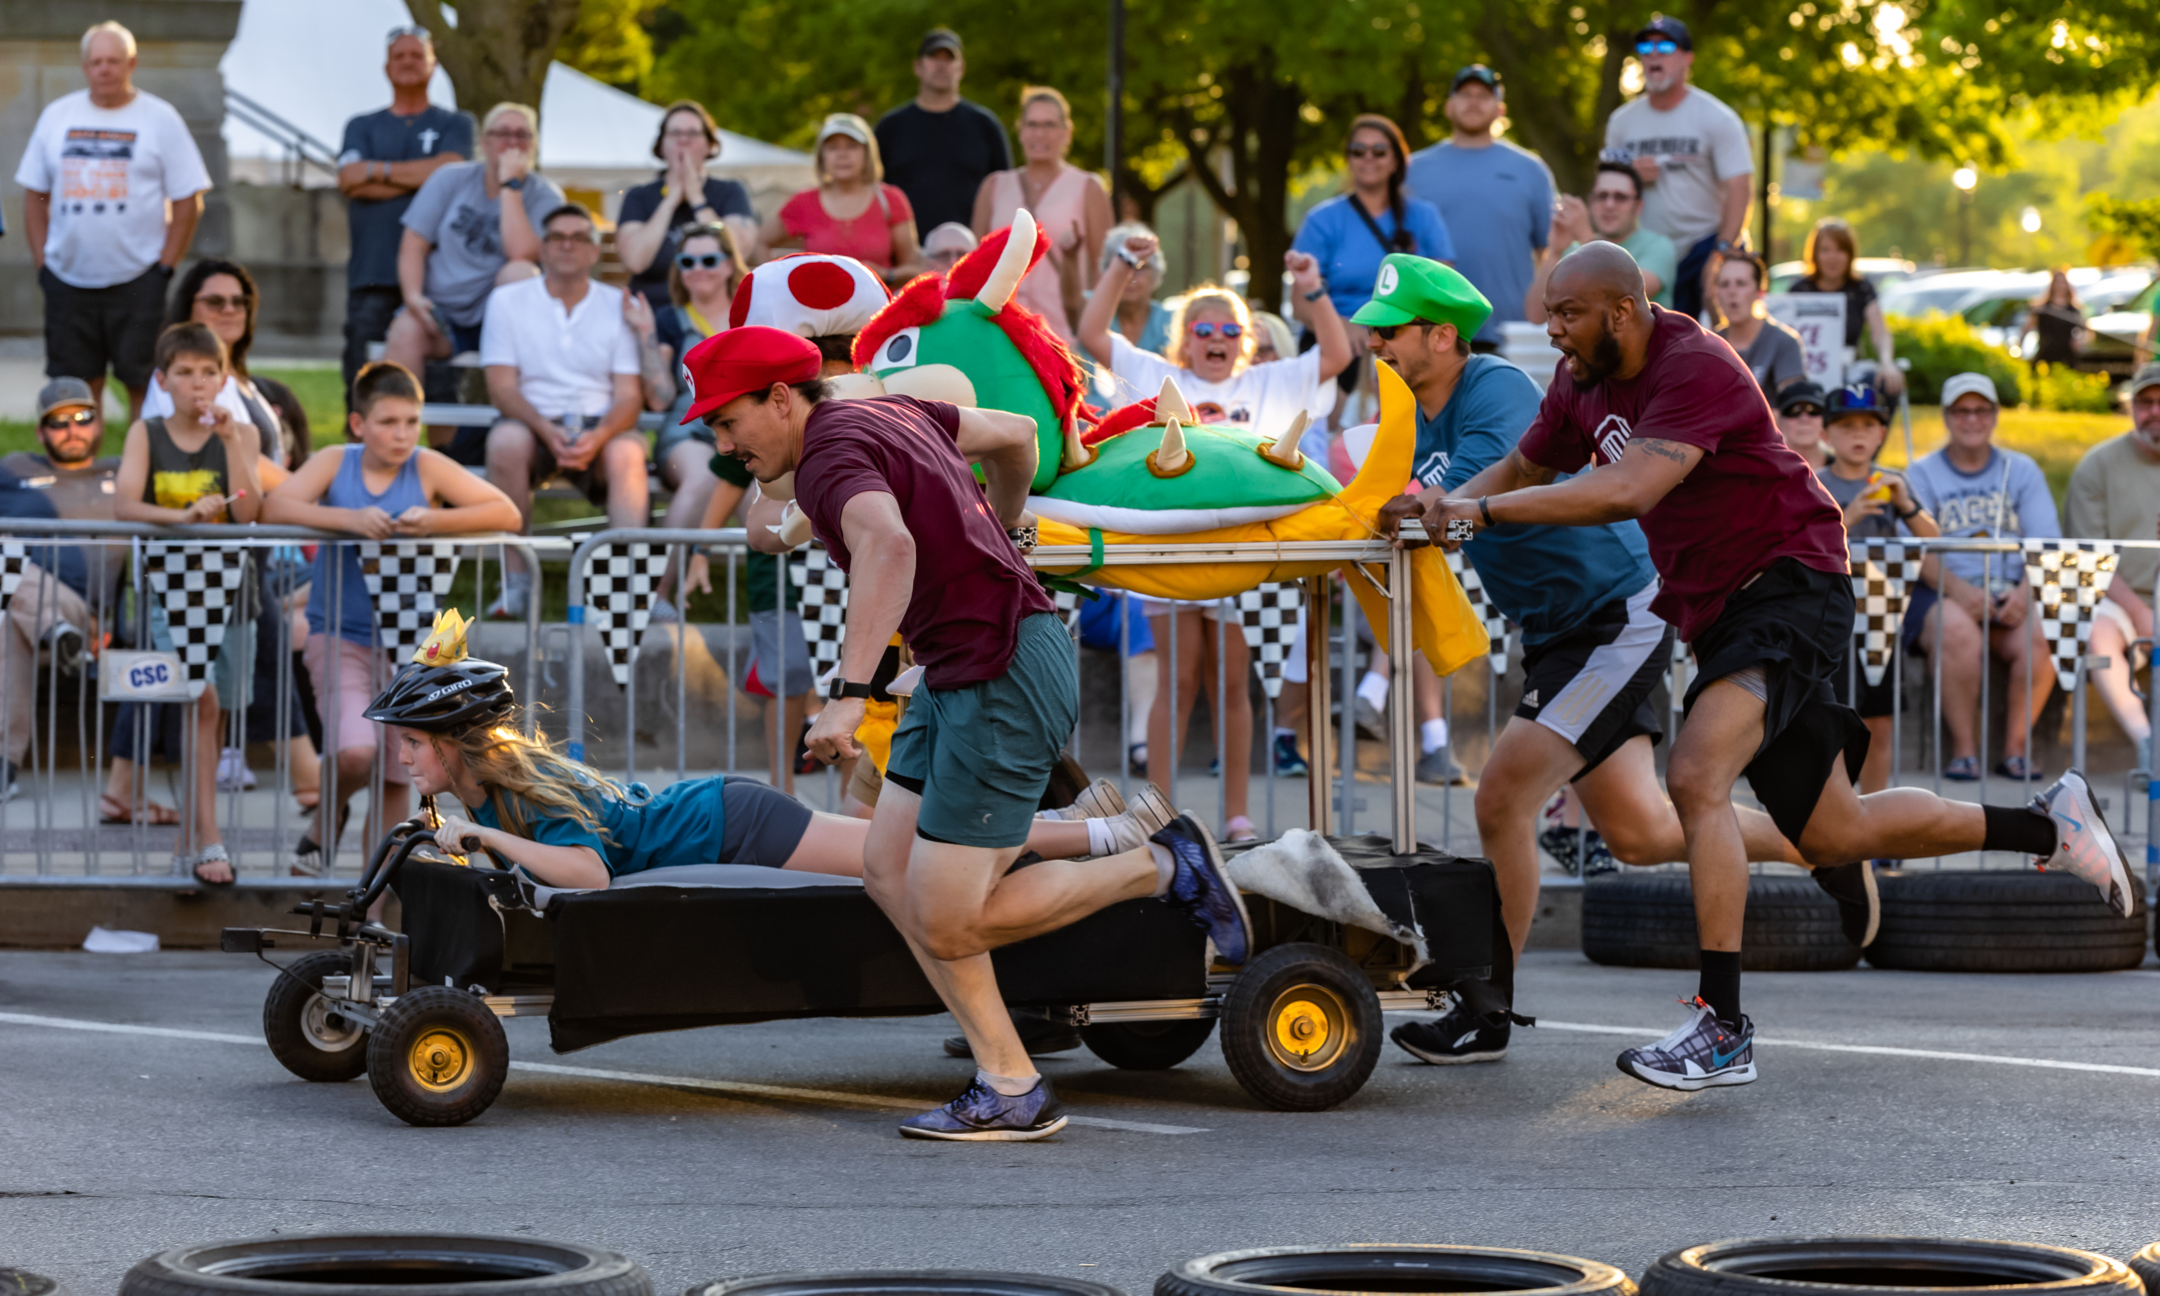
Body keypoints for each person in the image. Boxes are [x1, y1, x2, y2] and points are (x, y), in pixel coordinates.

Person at [1408, 243, 2129, 1091]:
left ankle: (1722, 1028)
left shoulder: (1693, 363)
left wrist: (1481, 514)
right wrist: (1447, 506)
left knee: (1696, 776)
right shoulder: (1580, 382)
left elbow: (1627, 491)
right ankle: (2050, 826)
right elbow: (1529, 465)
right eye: (1549, 315)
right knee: (1838, 831)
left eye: (1567, 314)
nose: (1552, 331)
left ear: (1622, 310)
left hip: (1790, 579)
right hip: (1718, 607)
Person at [692, 325, 1250, 1139]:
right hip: (958, 670)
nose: (722, 444)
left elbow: (888, 545)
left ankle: (1161, 864)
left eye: (727, 421)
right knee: (886, 871)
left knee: (951, 917)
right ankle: (1010, 1082)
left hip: (1000, 671)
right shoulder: (895, 412)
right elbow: (1017, 436)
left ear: (781, 399)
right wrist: (1005, 531)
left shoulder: (826, 458)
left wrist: (848, 697)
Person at [1361, 254, 1813, 1065]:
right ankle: (1815, 840)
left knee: (1501, 796)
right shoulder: (1409, 414)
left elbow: (1462, 494)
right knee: (1639, 831)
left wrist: (1429, 505)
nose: (1374, 343)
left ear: (1442, 335)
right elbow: (1398, 502)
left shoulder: (1494, 386)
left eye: (1389, 331)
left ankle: (1487, 1008)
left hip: (1613, 615)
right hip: (1556, 627)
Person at [368, 615, 1172, 890]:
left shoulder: (513, 795)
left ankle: (1106, 833)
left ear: (456, 743)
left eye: (411, 743)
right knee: (910, 842)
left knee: (922, 854)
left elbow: (588, 873)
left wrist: (486, 838)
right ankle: (1074, 821)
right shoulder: (486, 788)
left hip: (732, 823)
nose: (401, 759)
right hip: (720, 815)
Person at [263, 361, 521, 875]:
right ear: (358, 424)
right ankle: (328, 816)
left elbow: (506, 513)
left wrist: (436, 520)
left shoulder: (426, 465)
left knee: (395, 774)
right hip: (340, 635)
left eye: (411, 422)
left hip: (412, 649)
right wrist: (349, 520)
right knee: (356, 751)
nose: (402, 434)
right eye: (388, 422)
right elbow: (276, 507)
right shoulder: (337, 461)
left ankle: (377, 899)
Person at [148, 257, 321, 800]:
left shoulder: (240, 382)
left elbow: (250, 479)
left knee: (218, 690)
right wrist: (311, 492)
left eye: (238, 301)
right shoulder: (178, 384)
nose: (229, 310)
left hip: (244, 543)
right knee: (198, 684)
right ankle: (307, 779)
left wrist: (294, 491)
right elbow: (230, 467)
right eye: (214, 301)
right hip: (198, 551)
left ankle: (142, 794)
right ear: (189, 307)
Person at [112, 323, 265, 886]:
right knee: (199, 697)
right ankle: (209, 838)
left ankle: (188, 843)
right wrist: (182, 517)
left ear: (223, 380)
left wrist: (230, 442)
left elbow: (250, 512)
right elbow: (126, 504)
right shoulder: (146, 432)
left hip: (232, 593)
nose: (197, 383)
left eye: (208, 373)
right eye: (184, 373)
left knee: (212, 713)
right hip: (170, 592)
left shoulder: (242, 434)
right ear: (163, 380)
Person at [15, 21, 211, 424]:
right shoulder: (57, 116)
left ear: (131, 64)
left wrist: (164, 267)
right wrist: (42, 261)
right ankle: (82, 463)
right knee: (77, 391)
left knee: (144, 385)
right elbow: (36, 193)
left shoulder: (160, 118)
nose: (104, 69)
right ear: (84, 66)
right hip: (67, 280)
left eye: (113, 61)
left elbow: (187, 199)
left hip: (138, 279)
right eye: (96, 62)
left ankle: (138, 462)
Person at [479, 202, 647, 620]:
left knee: (628, 453)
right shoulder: (507, 301)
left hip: (599, 421)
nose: (567, 245)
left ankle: (621, 590)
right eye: (557, 237)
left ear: (595, 250)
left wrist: (600, 434)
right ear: (542, 248)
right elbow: (501, 388)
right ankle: (515, 582)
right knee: (505, 442)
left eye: (579, 237)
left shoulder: (617, 303)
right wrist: (543, 427)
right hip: (530, 419)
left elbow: (629, 396)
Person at [1904, 372, 2059, 781]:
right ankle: (1963, 752)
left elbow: (2045, 543)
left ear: (1995, 414)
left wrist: (2025, 593)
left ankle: (2016, 750)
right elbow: (1914, 551)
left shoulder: (2022, 470)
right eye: (1961, 411)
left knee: (2044, 633)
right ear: (1945, 416)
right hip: (1942, 591)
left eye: (1981, 410)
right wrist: (1959, 591)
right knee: (1956, 631)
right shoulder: (1921, 473)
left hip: (2011, 590)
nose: (1971, 419)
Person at [384, 100, 565, 445]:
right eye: (502, 133)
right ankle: (394, 443)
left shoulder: (546, 196)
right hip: (443, 313)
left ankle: (519, 432)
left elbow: (521, 252)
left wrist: (510, 187)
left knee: (520, 272)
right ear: (484, 142)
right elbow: (413, 243)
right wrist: (413, 297)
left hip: (501, 324)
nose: (512, 142)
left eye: (522, 135)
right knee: (405, 330)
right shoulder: (450, 179)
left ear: (533, 145)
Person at [336, 26, 474, 411]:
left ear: (434, 65)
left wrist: (376, 172)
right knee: (364, 382)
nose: (408, 63)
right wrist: (425, 181)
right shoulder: (361, 125)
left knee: (443, 389)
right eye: (400, 56)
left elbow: (451, 170)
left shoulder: (455, 124)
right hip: (373, 274)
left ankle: (440, 450)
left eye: (417, 55)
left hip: (439, 280)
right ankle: (360, 446)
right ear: (386, 67)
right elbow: (349, 179)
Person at [1079, 230, 1350, 423]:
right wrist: (1123, 264)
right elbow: (1092, 335)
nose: (1217, 338)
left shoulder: (1267, 382)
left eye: (1231, 331)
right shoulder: (1158, 378)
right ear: (1185, 341)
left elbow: (1336, 357)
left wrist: (1313, 287)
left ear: (1244, 342)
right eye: (1204, 330)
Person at [0, 379, 124, 801]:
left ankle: (58, 631)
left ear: (99, 425)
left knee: (10, 591)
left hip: (86, 619)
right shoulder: (14, 470)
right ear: (40, 432)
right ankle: (4, 766)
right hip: (23, 614)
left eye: (83, 418)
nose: (72, 429)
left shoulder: (119, 473)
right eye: (58, 422)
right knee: (9, 618)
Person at [1816, 382, 1939, 794]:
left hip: (1882, 615)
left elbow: (1932, 538)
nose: (1858, 434)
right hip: (1830, 616)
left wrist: (1905, 504)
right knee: (1832, 717)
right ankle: (1834, 810)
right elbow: (1804, 542)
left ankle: (1875, 813)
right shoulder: (1814, 482)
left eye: (1868, 425)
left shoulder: (1893, 481)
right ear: (1826, 433)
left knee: (1879, 722)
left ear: (1882, 433)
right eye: (1846, 426)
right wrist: (1847, 516)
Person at [1601, 16, 1753, 321]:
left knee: (1704, 339)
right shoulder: (1622, 122)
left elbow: (1740, 186)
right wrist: (1631, 173)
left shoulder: (1716, 118)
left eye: (1666, 46)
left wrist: (1721, 252)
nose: (1654, 54)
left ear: (1687, 58)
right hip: (1645, 252)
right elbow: (1607, 184)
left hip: (1701, 247)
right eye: (1646, 47)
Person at [633, 221, 747, 616]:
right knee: (702, 479)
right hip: (688, 430)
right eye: (687, 261)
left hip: (746, 431)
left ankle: (780, 612)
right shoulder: (669, 319)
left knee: (761, 497)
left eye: (709, 260)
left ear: (729, 264)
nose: (698, 269)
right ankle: (656, 595)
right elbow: (660, 398)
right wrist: (646, 335)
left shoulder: (750, 316)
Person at [1404, 66, 1552, 353]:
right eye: (1465, 95)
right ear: (1448, 107)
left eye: (1484, 96)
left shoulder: (1531, 170)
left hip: (1508, 332)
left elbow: (1548, 251)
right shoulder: (1413, 170)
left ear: (1500, 110)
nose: (1473, 102)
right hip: (1430, 327)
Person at [2063, 361, 2160, 766]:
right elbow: (2090, 558)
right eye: (2145, 402)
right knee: (2095, 631)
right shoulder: (2097, 465)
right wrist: (2141, 613)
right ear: (2131, 407)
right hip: (2117, 601)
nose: (2154, 411)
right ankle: (2148, 745)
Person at [970, 87, 1111, 342]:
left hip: (1061, 333)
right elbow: (973, 264)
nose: (1039, 133)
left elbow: (1104, 270)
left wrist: (1095, 334)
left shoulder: (1088, 187)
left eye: (1049, 125)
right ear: (1020, 130)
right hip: (998, 329)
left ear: (1067, 132)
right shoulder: (994, 186)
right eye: (1032, 124)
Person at [1290, 115, 1454, 323]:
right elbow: (1301, 306)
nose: (1368, 157)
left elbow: (1443, 294)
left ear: (1396, 161)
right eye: (1358, 151)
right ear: (1348, 159)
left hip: (1407, 334)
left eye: (1379, 151)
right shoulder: (1320, 221)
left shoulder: (1425, 216)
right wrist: (1343, 330)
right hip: (1341, 337)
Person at [613, 100, 758, 313]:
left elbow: (736, 254)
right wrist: (670, 200)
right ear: (661, 146)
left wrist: (696, 198)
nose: (683, 140)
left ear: (710, 145)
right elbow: (635, 261)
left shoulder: (731, 191)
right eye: (674, 133)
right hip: (651, 313)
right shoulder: (639, 196)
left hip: (714, 316)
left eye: (692, 133)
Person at [873, 28, 1012, 238]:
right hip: (905, 253)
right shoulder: (890, 128)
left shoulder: (985, 126)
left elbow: (1005, 195)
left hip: (971, 250)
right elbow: (872, 194)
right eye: (933, 57)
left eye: (949, 58)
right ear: (917, 66)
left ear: (961, 68)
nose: (941, 65)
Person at [762, 115, 923, 282]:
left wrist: (886, 275)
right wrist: (778, 284)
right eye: (832, 148)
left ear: (867, 152)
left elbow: (914, 267)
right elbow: (759, 243)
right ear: (822, 156)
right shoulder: (803, 201)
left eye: (852, 146)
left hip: (879, 297)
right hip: (821, 298)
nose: (842, 155)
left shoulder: (890, 199)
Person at [1526, 158, 1679, 318]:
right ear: (1591, 203)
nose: (1609, 205)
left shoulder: (1658, 246)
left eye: (1620, 197)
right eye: (1602, 196)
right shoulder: (1573, 250)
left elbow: (1627, 295)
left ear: (1638, 206)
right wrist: (1555, 253)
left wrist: (1586, 238)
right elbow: (1536, 316)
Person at [1791, 219, 1904, 396]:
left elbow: (1880, 332)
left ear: (1850, 255)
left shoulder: (1861, 289)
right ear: (1815, 254)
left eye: (1840, 250)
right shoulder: (1799, 290)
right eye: (1825, 250)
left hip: (1849, 371)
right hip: (1807, 371)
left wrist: (1887, 363)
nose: (1833, 257)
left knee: (1882, 383)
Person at [1711, 253, 1807, 398]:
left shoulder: (1785, 342)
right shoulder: (1707, 345)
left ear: (1760, 292)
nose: (1732, 292)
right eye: (1724, 284)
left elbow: (1791, 406)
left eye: (1741, 283)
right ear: (1716, 293)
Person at [1096, 222, 1171, 355]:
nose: (1130, 277)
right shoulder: (1092, 310)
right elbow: (1072, 306)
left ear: (1155, 273)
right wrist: (1070, 258)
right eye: (1122, 267)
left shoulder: (1170, 322)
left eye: (1139, 267)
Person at [2027, 269, 2084, 369]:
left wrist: (2079, 339)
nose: (2060, 285)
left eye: (2062, 282)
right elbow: (2028, 327)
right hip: (2045, 354)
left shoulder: (2073, 310)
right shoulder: (2042, 309)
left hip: (2066, 357)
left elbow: (2083, 330)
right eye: (2057, 282)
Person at [1774, 379, 1829, 465]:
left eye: (1814, 410)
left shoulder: (1846, 464)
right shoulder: (1765, 468)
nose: (1804, 419)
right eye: (1794, 411)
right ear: (1779, 421)